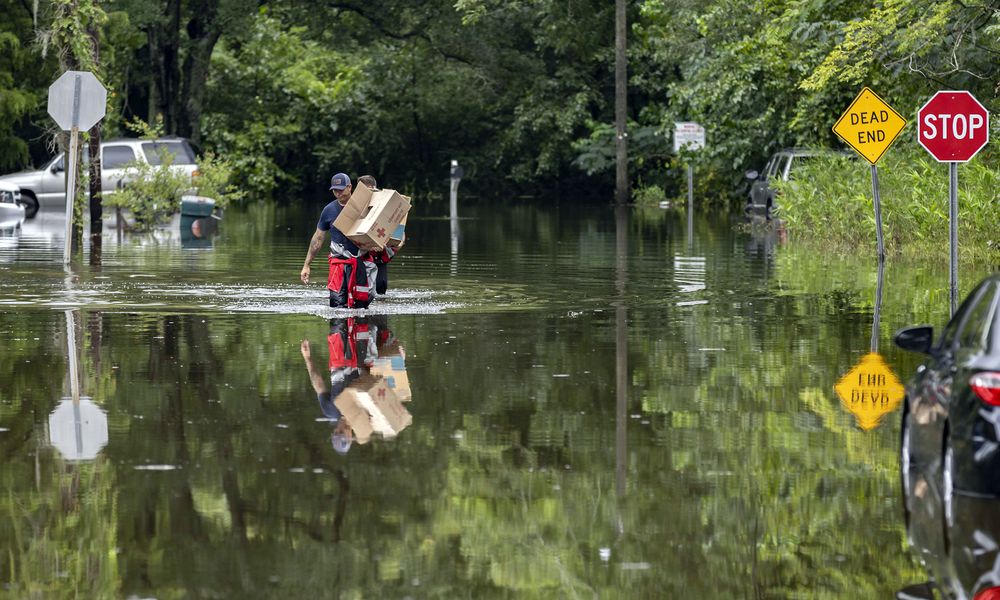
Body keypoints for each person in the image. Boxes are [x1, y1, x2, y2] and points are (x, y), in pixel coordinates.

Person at [300, 173, 379, 308]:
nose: (338, 193)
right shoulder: (328, 210)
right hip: (339, 264)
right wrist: (306, 265)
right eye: (335, 190)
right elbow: (318, 238)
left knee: (362, 304)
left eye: (341, 189)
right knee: (337, 306)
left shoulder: (365, 206)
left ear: (349, 187)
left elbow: (380, 227)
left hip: (361, 263)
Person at [356, 174, 399, 295]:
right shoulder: (356, 206)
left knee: (380, 288)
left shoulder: (386, 206)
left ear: (371, 187)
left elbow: (398, 233)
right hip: (363, 255)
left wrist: (389, 244)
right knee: (361, 289)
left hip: (380, 256)